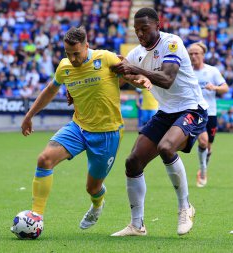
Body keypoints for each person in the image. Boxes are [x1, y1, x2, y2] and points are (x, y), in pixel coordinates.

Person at [19, 27, 151, 231]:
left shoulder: (105, 58)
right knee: (44, 159)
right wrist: (29, 115)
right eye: (67, 53)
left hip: (107, 133)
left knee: (92, 187)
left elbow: (131, 75)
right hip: (78, 127)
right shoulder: (64, 67)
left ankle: (97, 204)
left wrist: (141, 81)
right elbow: (50, 90)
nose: (72, 58)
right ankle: (36, 216)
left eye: (76, 53)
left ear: (86, 46)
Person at [110, 8, 209, 236]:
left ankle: (185, 207)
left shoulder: (172, 43)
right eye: (137, 31)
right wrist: (131, 77)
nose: (141, 34)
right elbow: (128, 77)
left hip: (192, 108)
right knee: (133, 162)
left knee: (166, 147)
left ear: (158, 25)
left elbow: (166, 79)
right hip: (166, 112)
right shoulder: (137, 53)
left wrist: (135, 69)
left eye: (145, 29)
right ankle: (137, 225)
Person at [188, 42, 229, 187]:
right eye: (191, 54)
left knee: (208, 146)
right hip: (194, 112)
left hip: (211, 112)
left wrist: (215, 87)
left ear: (203, 55)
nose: (193, 56)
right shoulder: (187, 71)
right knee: (203, 141)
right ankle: (203, 171)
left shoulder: (212, 71)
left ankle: (203, 166)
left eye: (196, 53)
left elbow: (225, 88)